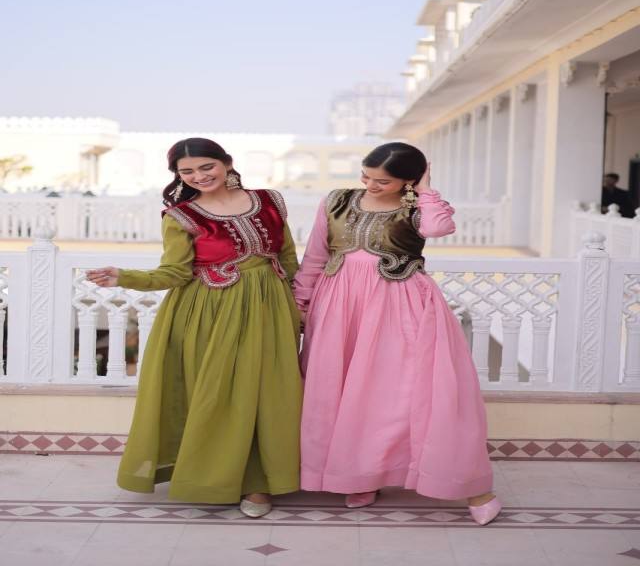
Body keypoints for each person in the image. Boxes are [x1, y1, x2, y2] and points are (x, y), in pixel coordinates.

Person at [86, 137, 302, 518]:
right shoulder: (182, 216)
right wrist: (124, 277)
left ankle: (261, 481)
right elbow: (174, 272)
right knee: (224, 395)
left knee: (269, 394)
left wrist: (302, 306)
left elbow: (288, 258)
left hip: (270, 308)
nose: (199, 176)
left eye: (206, 167)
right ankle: (223, 479)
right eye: (186, 172)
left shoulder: (269, 201)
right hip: (211, 314)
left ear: (227, 163)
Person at [293, 142, 501, 526]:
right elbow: (315, 257)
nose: (370, 185)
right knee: (340, 392)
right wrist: (301, 304)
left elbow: (439, 228)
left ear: (408, 181)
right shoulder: (336, 201)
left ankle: (456, 482)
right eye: (366, 176)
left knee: (396, 393)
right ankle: (358, 475)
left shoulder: (417, 207)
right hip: (338, 305)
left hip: (399, 304)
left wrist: (425, 189)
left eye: (383, 181)